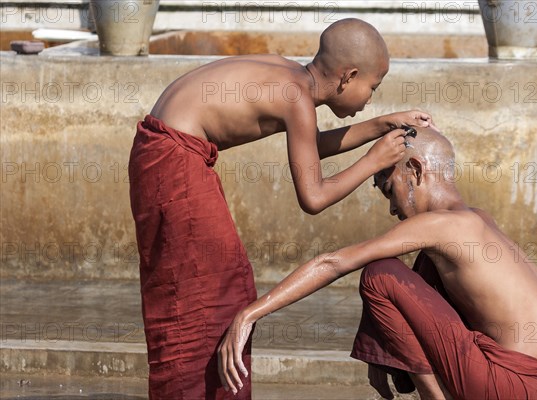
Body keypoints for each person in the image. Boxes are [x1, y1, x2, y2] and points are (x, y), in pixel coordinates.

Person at [128, 18, 435, 399]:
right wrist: (373, 161)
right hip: (174, 160)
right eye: (371, 88)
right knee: (208, 294)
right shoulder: (296, 97)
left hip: (163, 150)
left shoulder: (290, 75)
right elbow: (314, 197)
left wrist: (382, 124)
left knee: (220, 285)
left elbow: (310, 145)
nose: (370, 98)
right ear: (347, 76)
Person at [218, 127, 537, 399]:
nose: (392, 209)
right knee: (419, 270)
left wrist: (249, 313)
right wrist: (379, 341)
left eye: (389, 189)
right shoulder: (475, 219)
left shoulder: (443, 225)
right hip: (533, 383)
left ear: (413, 170)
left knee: (379, 274)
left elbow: (335, 263)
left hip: (503, 383)